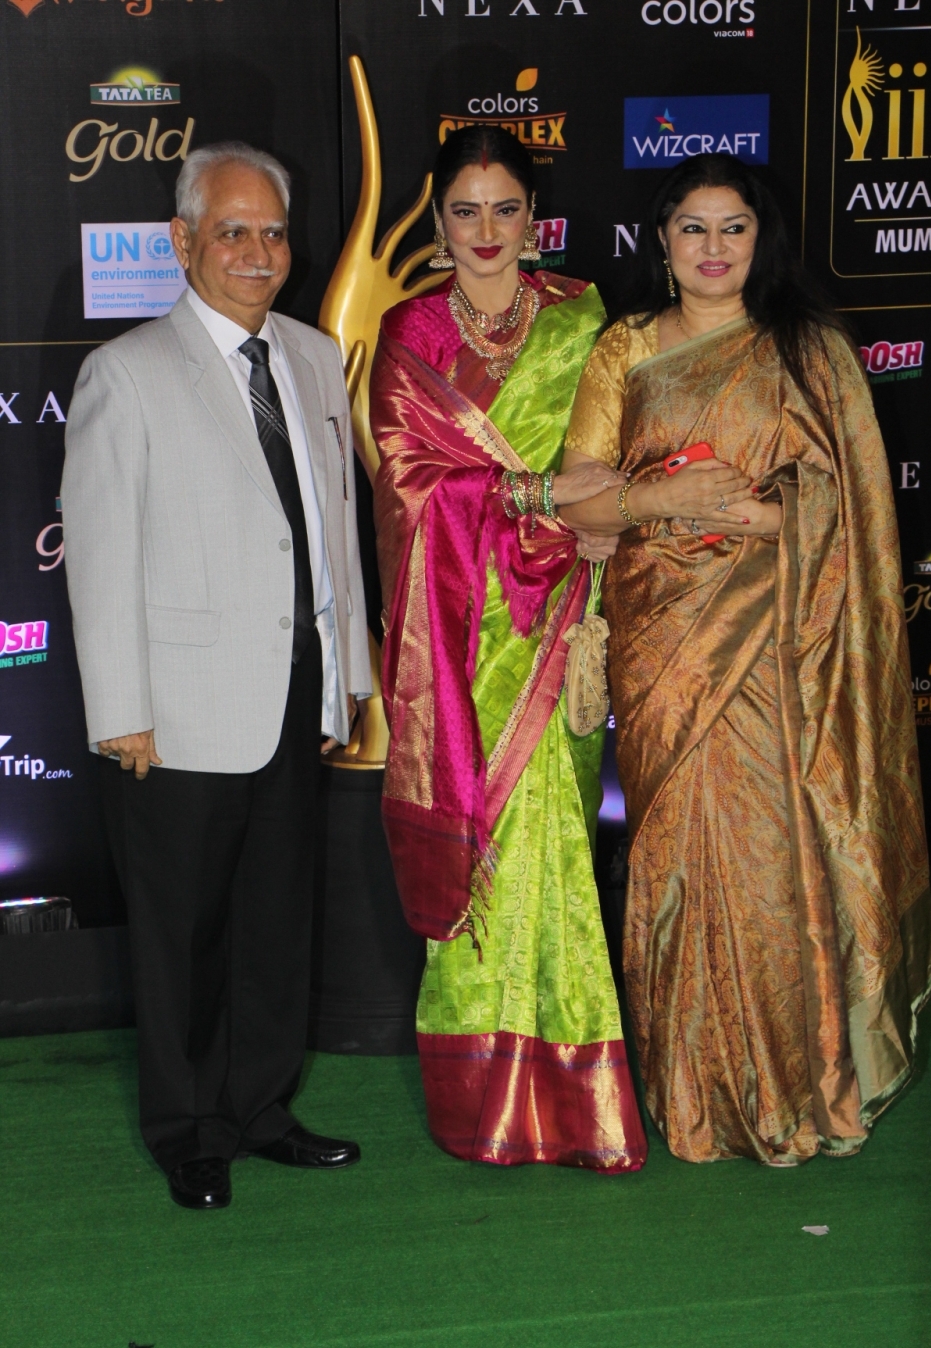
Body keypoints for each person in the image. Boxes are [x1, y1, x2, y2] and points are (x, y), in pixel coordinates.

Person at [562, 154, 931, 1165]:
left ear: (761, 239)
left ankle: (797, 1083)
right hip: (660, 636)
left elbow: (854, 513)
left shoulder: (809, 352)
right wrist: (663, 505)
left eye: (733, 228)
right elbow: (578, 495)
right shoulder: (624, 350)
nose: (714, 248)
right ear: (662, 239)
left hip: (779, 640)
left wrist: (765, 517)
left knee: (775, 854)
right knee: (676, 851)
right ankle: (689, 1091)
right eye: (693, 227)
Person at [61, 142, 372, 1209]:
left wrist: (346, 678)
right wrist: (123, 715)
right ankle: (188, 1128)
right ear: (183, 242)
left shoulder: (315, 359)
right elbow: (98, 556)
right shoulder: (126, 372)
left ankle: (260, 1109)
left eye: (272, 231)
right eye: (231, 231)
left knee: (277, 923)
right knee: (182, 932)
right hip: (176, 714)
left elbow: (334, 535)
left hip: (293, 697)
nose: (255, 250)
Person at [368, 126, 646, 1172]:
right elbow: (406, 492)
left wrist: (595, 521)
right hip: (459, 636)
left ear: (537, 219)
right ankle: (484, 1105)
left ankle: (579, 1107)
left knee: (561, 850)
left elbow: (621, 460)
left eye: (505, 209)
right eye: (464, 211)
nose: (486, 232)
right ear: (437, 225)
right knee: (482, 856)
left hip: (563, 621)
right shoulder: (409, 333)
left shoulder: (585, 322)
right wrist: (533, 494)